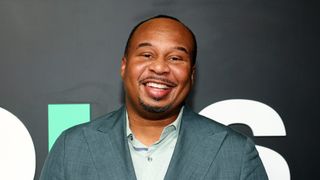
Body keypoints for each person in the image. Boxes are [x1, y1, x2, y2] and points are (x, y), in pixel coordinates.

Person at [40, 15, 268, 180]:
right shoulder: (72, 147)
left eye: (176, 58)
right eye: (147, 54)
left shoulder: (235, 153)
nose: (159, 67)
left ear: (191, 75)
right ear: (124, 66)